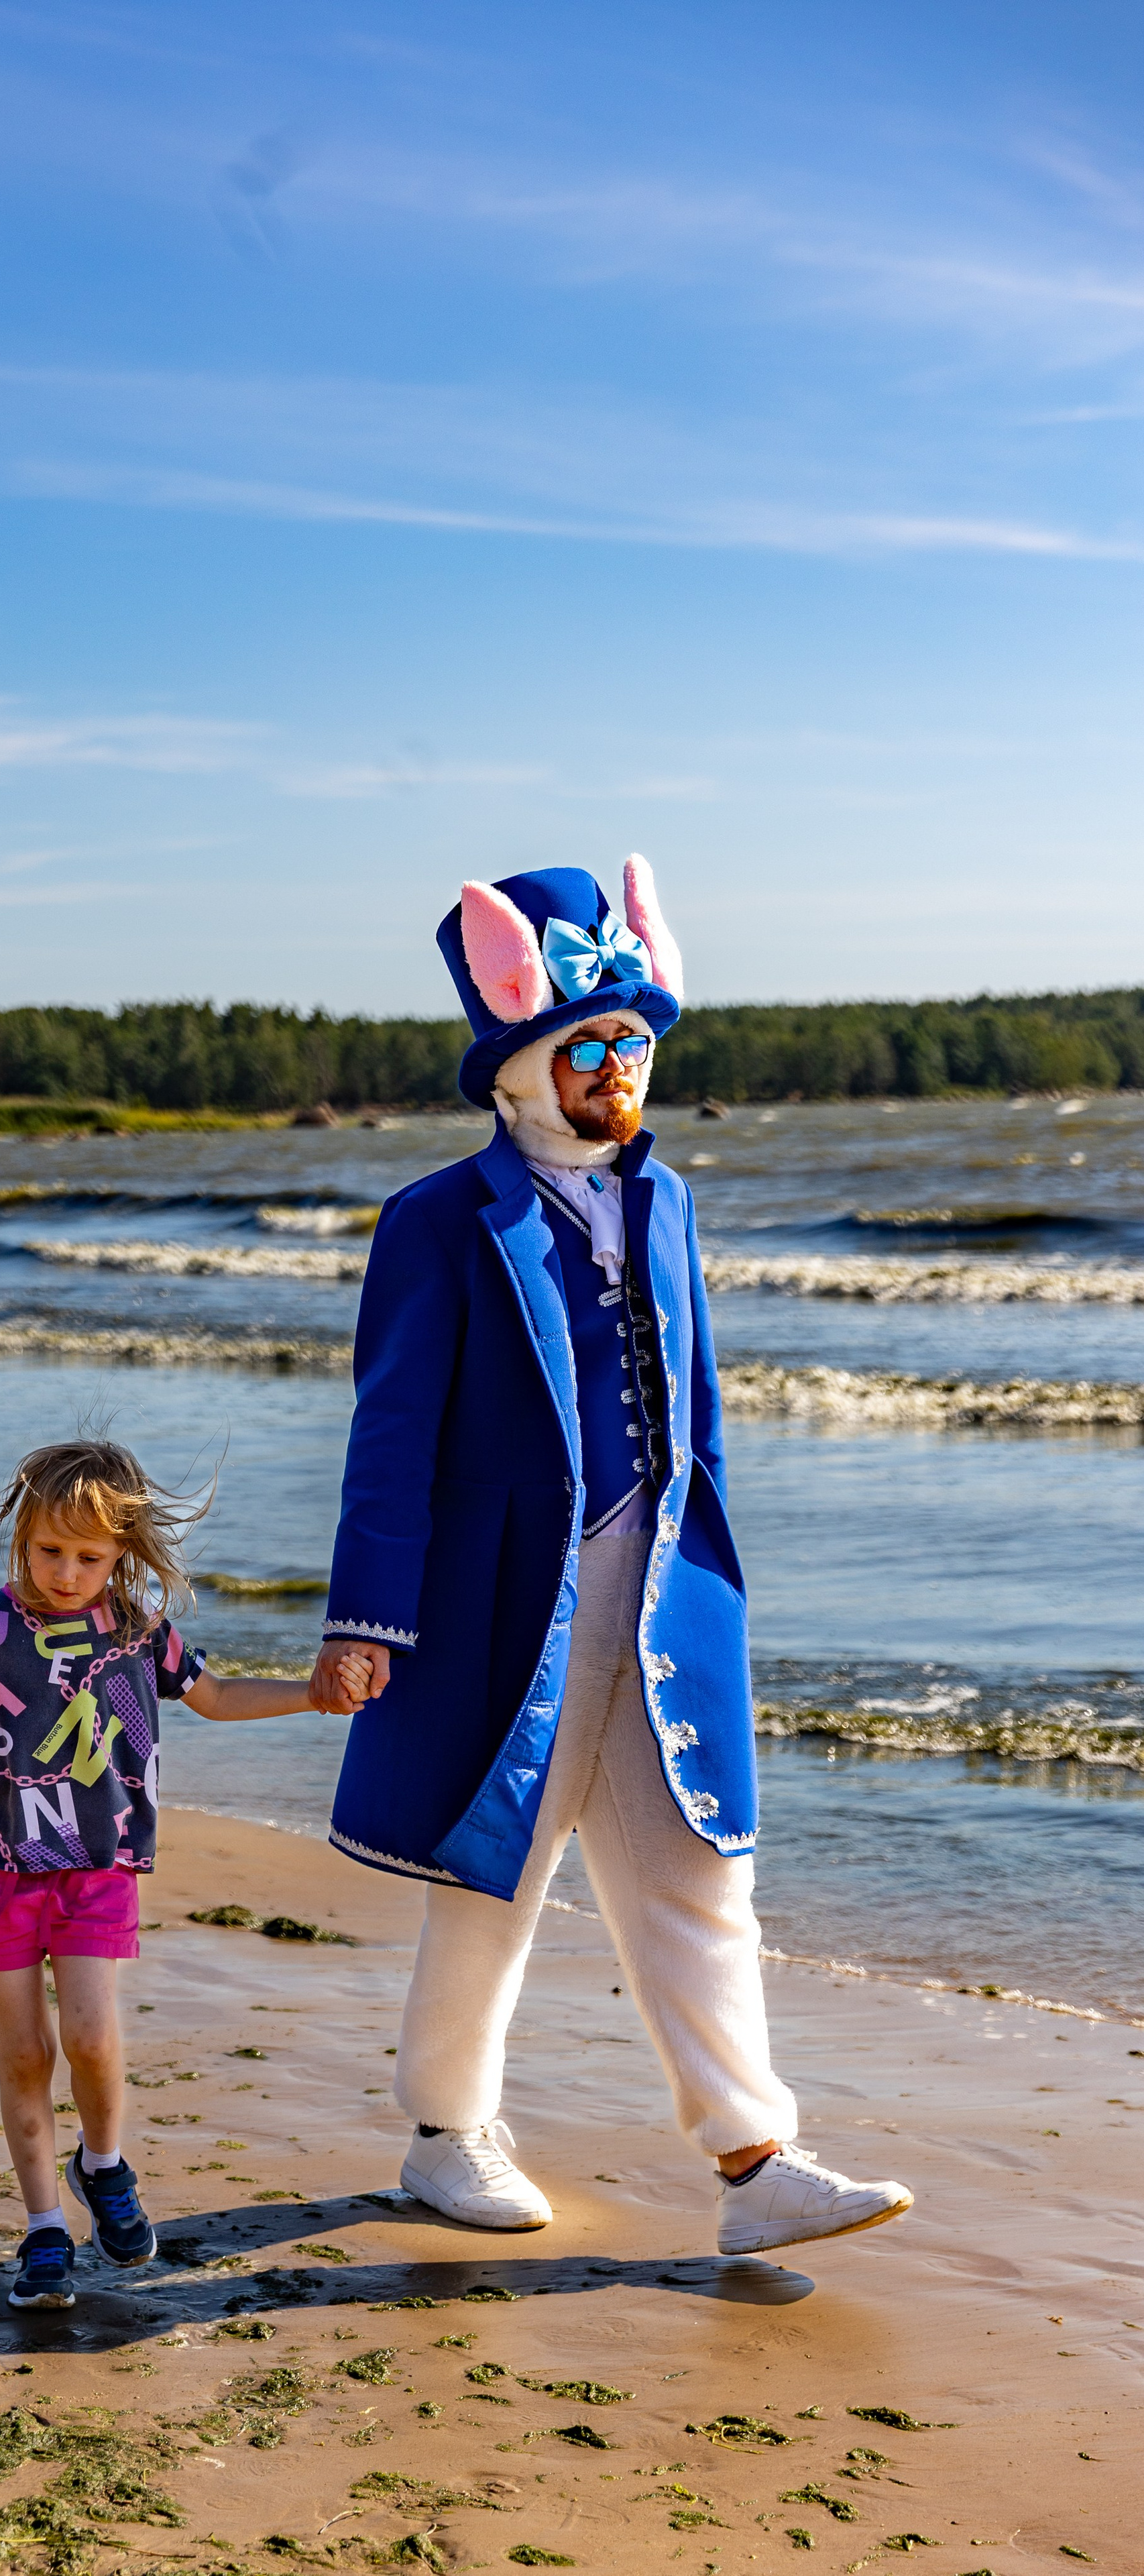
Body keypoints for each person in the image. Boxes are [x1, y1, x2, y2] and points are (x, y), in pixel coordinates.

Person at [311, 862, 912, 2258]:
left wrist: (706, 1573)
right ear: (521, 1066)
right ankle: (446, 2135)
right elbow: (390, 1434)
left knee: (698, 1869)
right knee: (493, 1870)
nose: (617, 1071)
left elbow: (690, 1416)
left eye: (633, 1046)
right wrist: (367, 1617)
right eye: (587, 1047)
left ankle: (754, 2160)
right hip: (503, 1601)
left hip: (659, 1589)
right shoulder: (438, 1222)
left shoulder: (671, 1207)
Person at [0, 1436, 366, 2310]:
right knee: (25, 2051)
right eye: (49, 1551)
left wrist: (311, 1691)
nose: (66, 1572)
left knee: (93, 2038)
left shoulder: (141, 1630)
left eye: (89, 1557)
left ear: (122, 1554)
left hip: (97, 1864)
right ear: (22, 1539)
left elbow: (216, 1698)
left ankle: (101, 2166)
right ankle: (41, 2231)